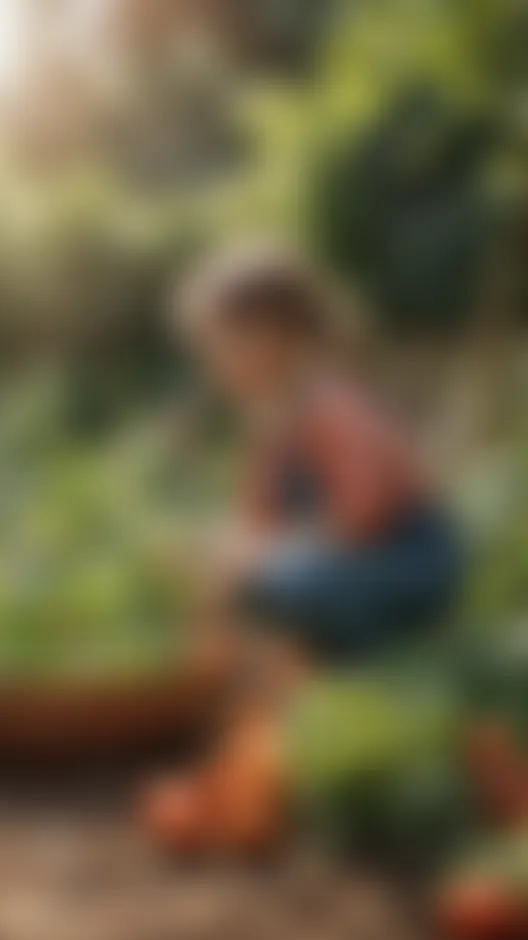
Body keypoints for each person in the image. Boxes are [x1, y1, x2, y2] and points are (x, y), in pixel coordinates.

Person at [141, 242, 463, 854]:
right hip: (348, 564)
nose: (213, 366)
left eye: (220, 347)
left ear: (269, 337)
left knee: (279, 580)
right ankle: (307, 704)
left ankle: (375, 678)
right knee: (247, 575)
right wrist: (210, 560)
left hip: (408, 563)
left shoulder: (331, 406)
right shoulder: (270, 426)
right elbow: (256, 527)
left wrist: (251, 559)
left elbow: (362, 515)